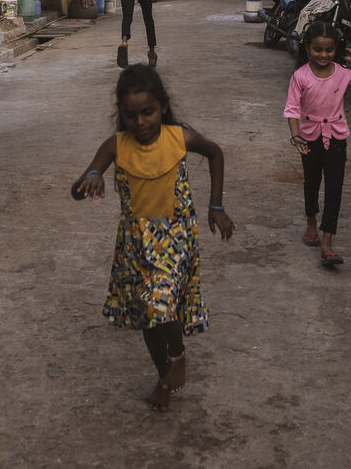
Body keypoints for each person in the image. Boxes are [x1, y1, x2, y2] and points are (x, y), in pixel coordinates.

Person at [72, 66, 234, 412]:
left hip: (176, 239)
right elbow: (78, 188)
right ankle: (165, 378)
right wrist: (93, 176)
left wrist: (216, 206)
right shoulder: (115, 146)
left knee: (159, 305)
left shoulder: (180, 138)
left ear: (162, 107)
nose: (141, 122)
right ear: (121, 113)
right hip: (136, 246)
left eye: (148, 112)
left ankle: (177, 356)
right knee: (148, 317)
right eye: (131, 115)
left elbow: (216, 153)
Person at [284, 22, 351, 267]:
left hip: (337, 138)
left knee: (335, 187)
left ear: (336, 49)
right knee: (312, 182)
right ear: (308, 48)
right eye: (318, 49)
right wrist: (296, 137)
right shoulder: (300, 76)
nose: (323, 55)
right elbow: (292, 110)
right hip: (308, 138)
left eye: (329, 50)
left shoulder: (343, 73)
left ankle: (327, 241)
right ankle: (311, 221)